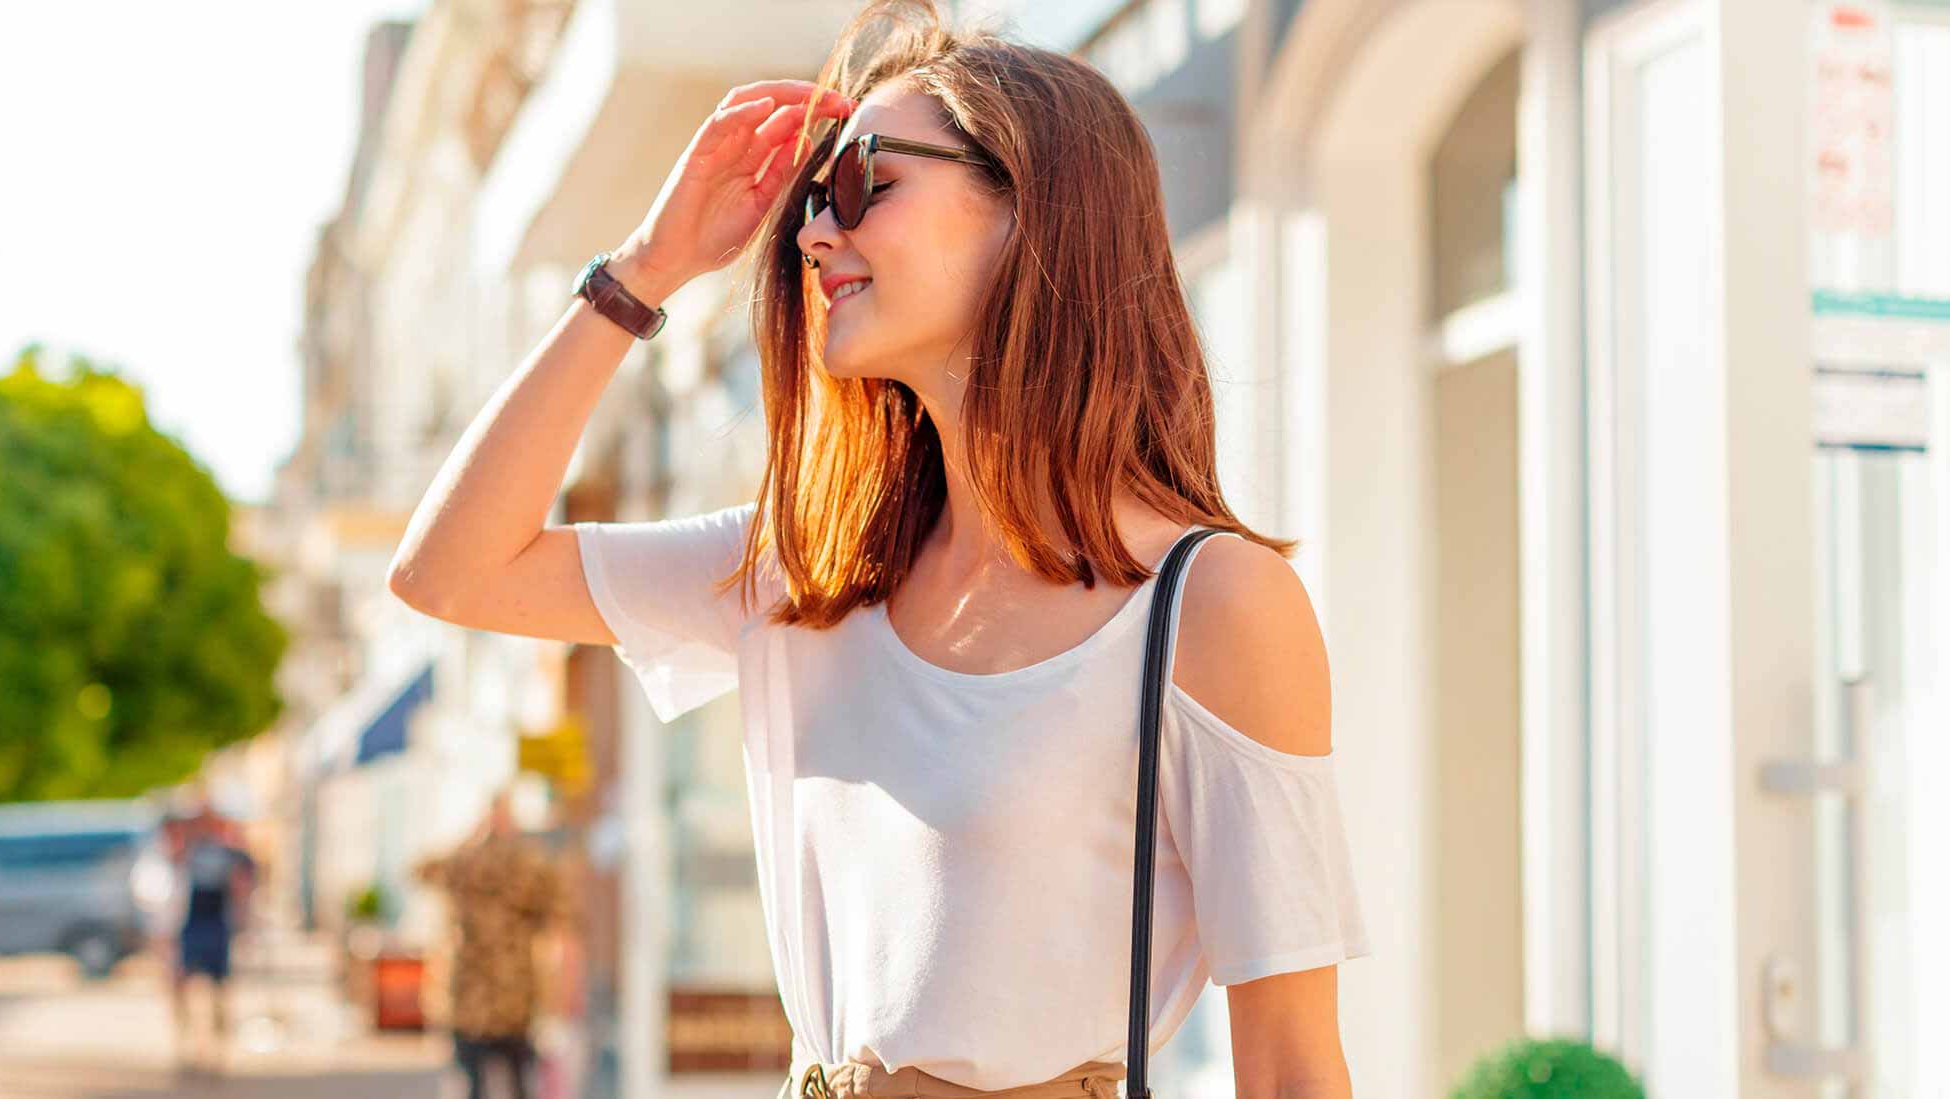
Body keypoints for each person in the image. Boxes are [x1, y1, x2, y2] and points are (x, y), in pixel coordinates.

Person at [386, 2, 1371, 1097]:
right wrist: (642, 271)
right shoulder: (806, 576)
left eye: (864, 185)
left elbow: (1288, 1062)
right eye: (813, 200)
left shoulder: (1208, 604)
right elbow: (449, 570)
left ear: (1029, 209)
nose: (813, 232)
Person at [412, 788, 578, 1099]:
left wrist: (469, 837)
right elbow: (562, 917)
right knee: (519, 1084)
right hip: (514, 997)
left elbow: (421, 870)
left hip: (471, 1000)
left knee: (474, 1085)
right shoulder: (530, 865)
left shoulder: (465, 861)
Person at [160, 796, 254, 1075]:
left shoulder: (230, 853)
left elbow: (243, 883)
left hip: (216, 922)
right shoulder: (188, 850)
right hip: (191, 922)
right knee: (181, 984)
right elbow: (170, 870)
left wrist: (243, 918)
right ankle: (186, 1045)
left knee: (219, 989)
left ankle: (218, 1050)